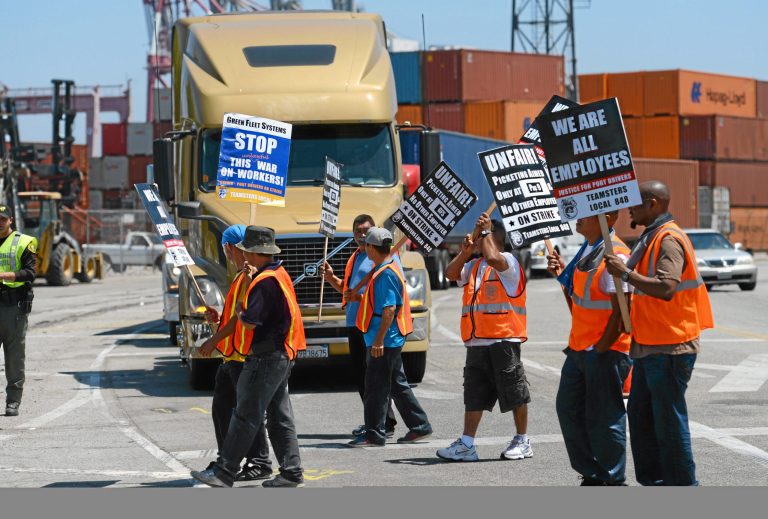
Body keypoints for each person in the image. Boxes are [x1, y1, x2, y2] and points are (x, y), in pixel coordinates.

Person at [605, 181, 713, 486]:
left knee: (667, 420)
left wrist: (625, 273)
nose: (629, 209)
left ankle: (682, 486)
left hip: (670, 346)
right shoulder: (651, 236)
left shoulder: (667, 239)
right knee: (641, 416)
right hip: (652, 345)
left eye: (635, 204)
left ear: (653, 204)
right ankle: (656, 482)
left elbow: (667, 287)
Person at [191, 226, 306, 488]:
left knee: (246, 414)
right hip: (281, 354)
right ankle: (291, 471)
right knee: (279, 417)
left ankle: (224, 471)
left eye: (245, 250)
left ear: (252, 253)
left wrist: (235, 317)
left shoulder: (263, 282)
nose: (242, 254)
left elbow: (250, 321)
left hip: (266, 357)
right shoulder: (277, 273)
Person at [547, 211, 633, 486]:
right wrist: (561, 273)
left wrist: (602, 348)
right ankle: (593, 472)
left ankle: (612, 478)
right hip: (580, 349)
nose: (578, 216)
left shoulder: (616, 255)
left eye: (587, 213)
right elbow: (578, 302)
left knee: (605, 418)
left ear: (607, 219)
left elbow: (623, 312)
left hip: (605, 351)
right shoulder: (588, 251)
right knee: (568, 410)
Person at [437, 214, 531, 462]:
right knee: (474, 394)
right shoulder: (474, 266)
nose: (477, 241)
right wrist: (465, 252)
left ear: (495, 238)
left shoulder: (508, 262)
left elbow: (492, 256)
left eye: (482, 238)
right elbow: (450, 273)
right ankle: (467, 444)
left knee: (515, 391)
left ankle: (523, 440)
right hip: (477, 341)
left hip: (503, 339)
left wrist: (485, 231)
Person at [195, 224, 272, 482]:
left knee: (246, 412)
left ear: (229, 248)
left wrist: (212, 339)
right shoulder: (241, 277)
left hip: (242, 356)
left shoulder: (248, 278)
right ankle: (230, 459)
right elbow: (233, 318)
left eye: (228, 248)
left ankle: (256, 461)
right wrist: (215, 320)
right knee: (225, 410)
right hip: (232, 356)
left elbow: (241, 320)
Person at [348, 227, 432, 447]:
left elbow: (388, 309)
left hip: (384, 340)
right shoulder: (386, 267)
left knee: (375, 387)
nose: (364, 247)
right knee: (397, 384)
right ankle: (419, 425)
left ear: (372, 248)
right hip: (390, 339)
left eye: (366, 244)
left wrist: (378, 341)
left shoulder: (384, 272)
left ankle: (374, 433)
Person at [319, 214, 397, 438]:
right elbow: (348, 291)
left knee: (376, 378)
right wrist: (332, 279)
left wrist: (360, 299)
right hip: (354, 322)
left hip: (369, 325)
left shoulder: (378, 258)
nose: (361, 234)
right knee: (363, 377)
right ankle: (374, 420)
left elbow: (380, 297)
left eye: (365, 230)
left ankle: (384, 422)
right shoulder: (355, 257)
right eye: (357, 231)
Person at [0, 205, 37, 417]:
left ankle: (13, 401)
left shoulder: (23, 242)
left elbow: (30, 273)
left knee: (14, 358)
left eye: (3, 219)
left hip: (13, 308)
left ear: (10, 220)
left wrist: (4, 275)